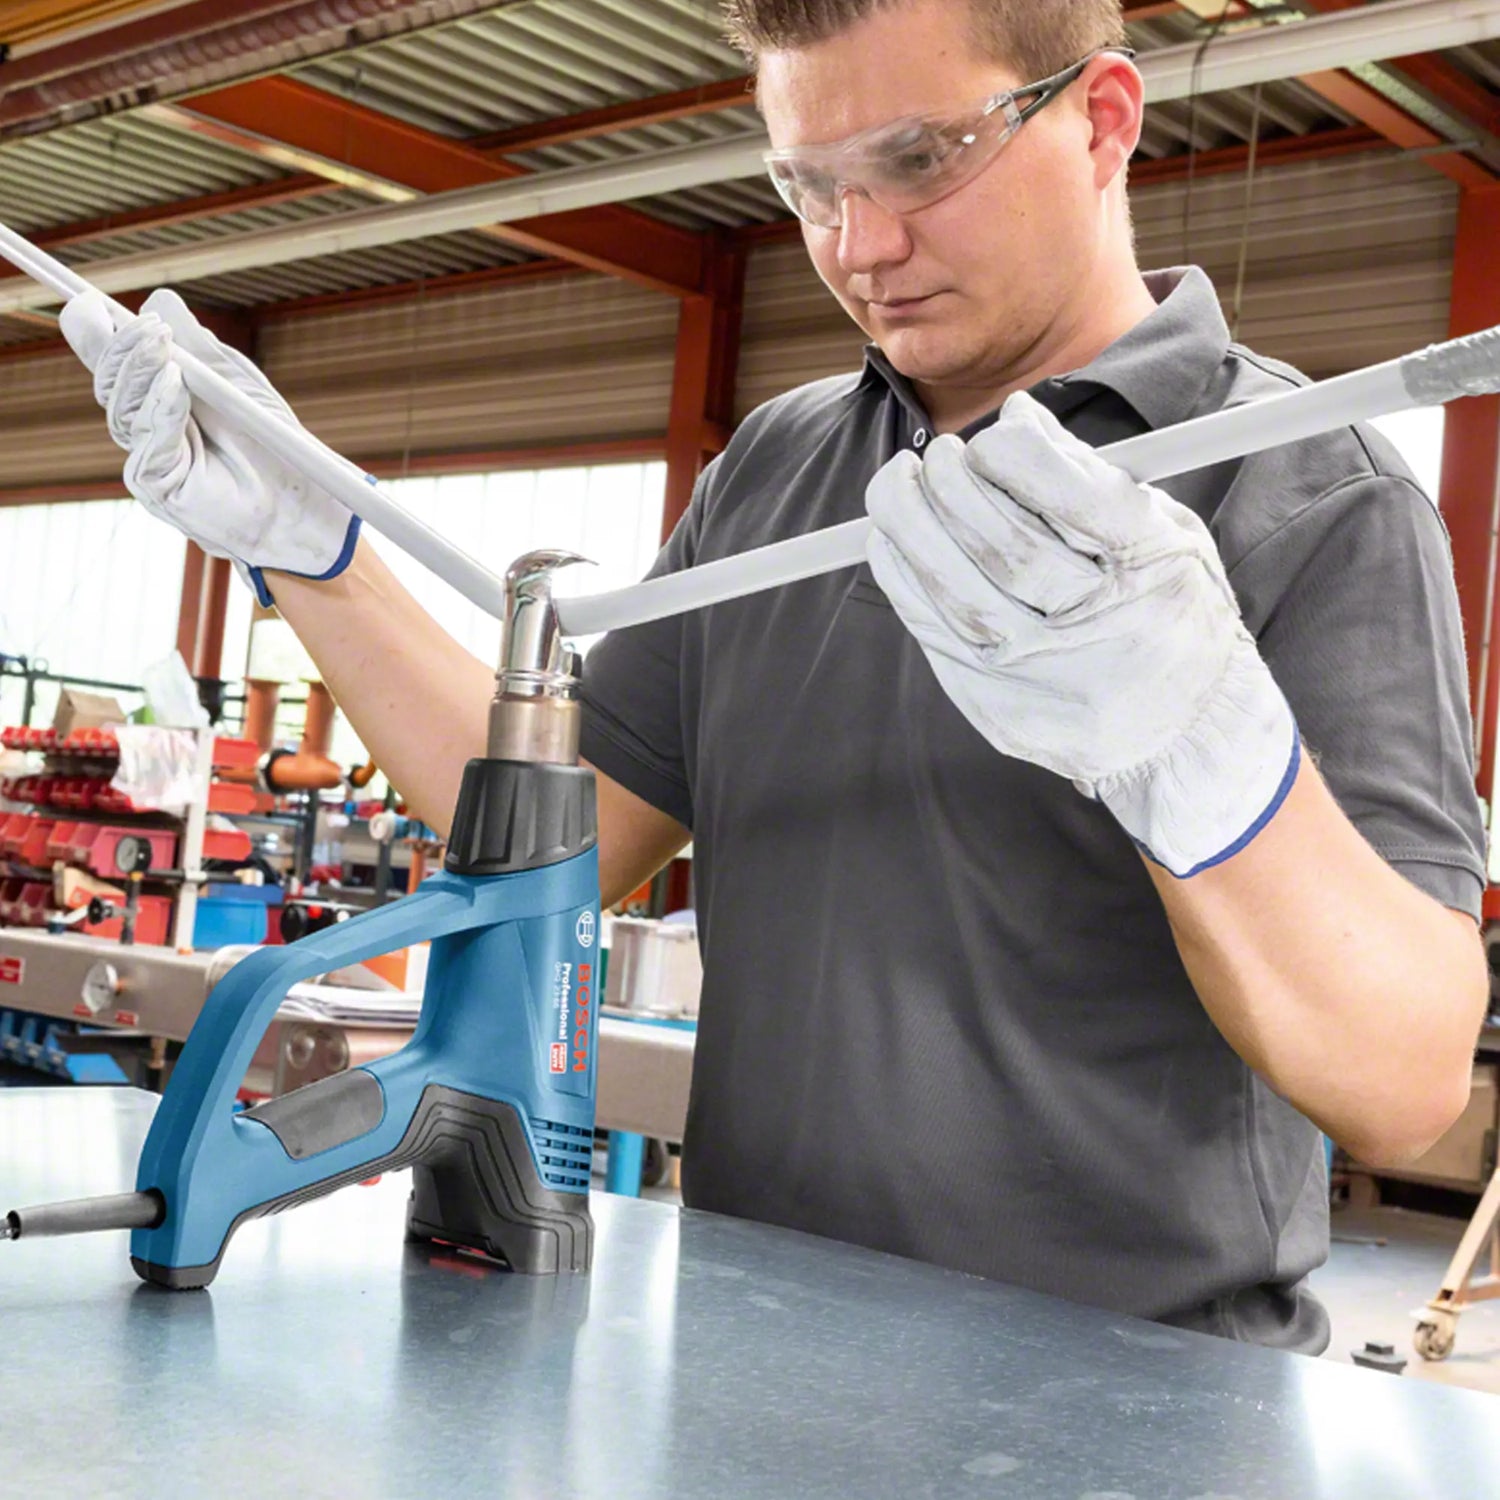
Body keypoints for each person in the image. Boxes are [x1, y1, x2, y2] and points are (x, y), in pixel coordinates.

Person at [60, 0, 1489, 1353]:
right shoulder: (779, 469)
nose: (862, 245)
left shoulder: (1305, 494)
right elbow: (566, 838)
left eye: (921, 160)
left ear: (1104, 120)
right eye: (810, 185)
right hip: (750, 1359)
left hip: (1132, 1406)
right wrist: (316, 552)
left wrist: (1197, 747)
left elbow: (1405, 1085)